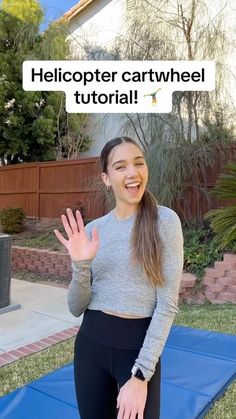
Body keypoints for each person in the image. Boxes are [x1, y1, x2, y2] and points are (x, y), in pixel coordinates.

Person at [54, 136, 184, 419]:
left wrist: (140, 377)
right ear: (106, 177)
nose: (132, 173)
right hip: (90, 347)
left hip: (136, 351)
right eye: (120, 166)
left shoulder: (165, 222)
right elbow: (76, 307)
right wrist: (81, 264)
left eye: (138, 163)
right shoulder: (94, 230)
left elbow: (167, 305)